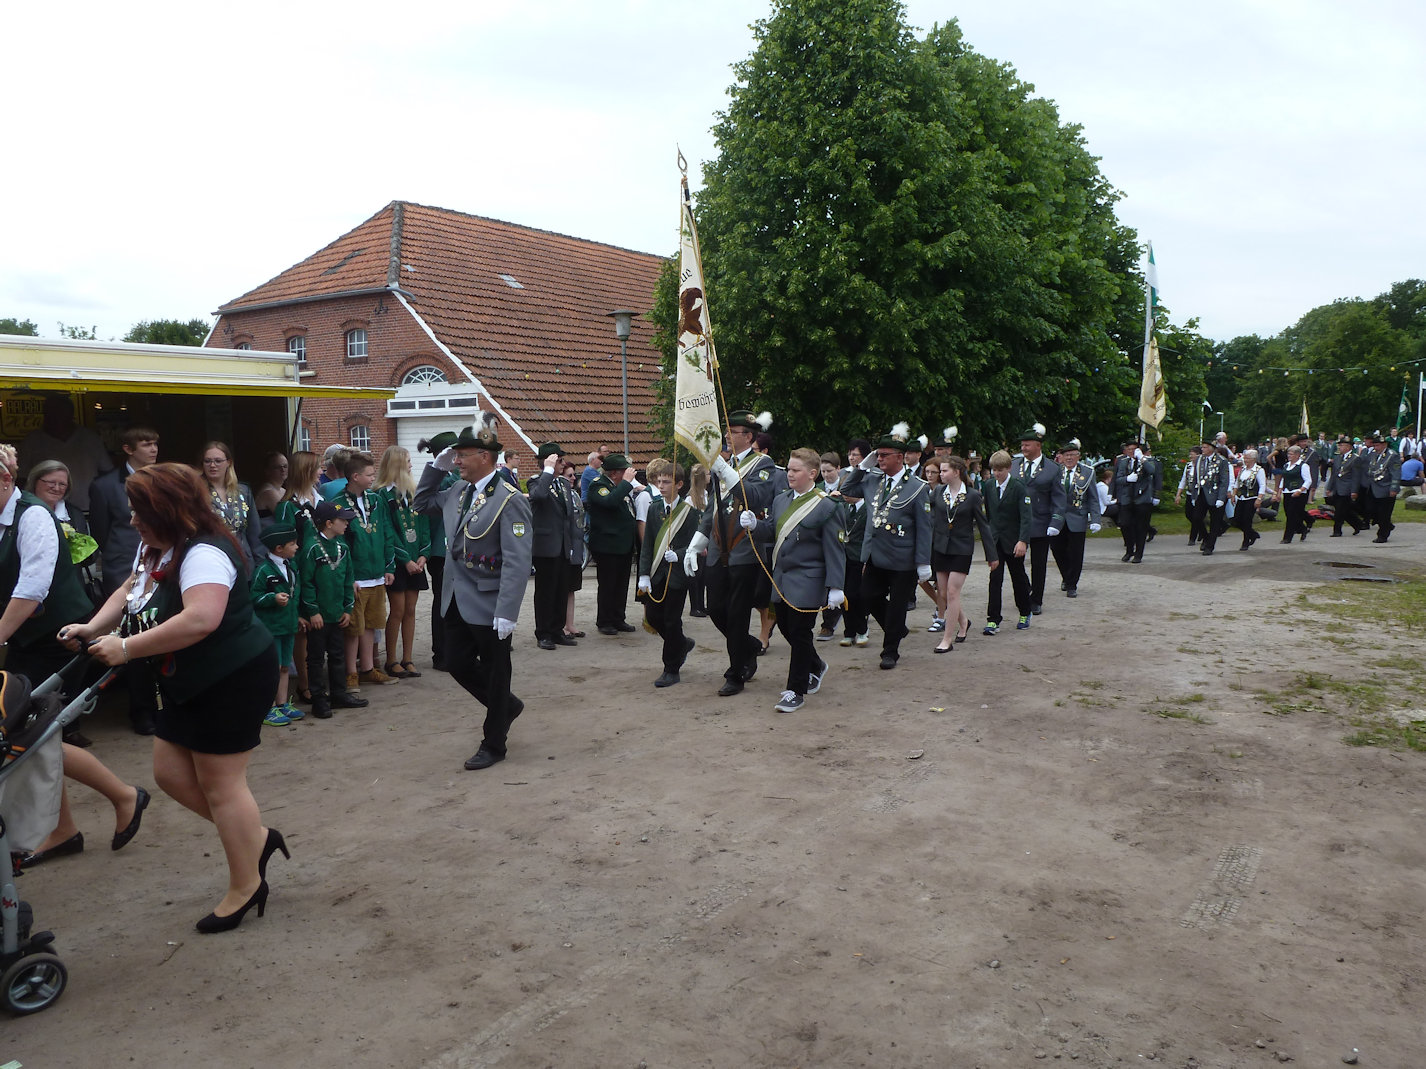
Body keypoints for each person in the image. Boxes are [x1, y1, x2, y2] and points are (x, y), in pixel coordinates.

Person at [61, 462, 286, 933]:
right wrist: (92, 626)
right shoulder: (158, 545)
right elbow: (131, 589)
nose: (131, 521)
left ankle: (246, 884)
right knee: (170, 774)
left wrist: (126, 648)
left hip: (232, 674)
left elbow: (201, 618)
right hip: (187, 675)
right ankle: (256, 838)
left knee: (221, 785)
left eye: (139, 511)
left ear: (168, 509)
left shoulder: (204, 552)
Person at [1, 443, 148, 870]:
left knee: (35, 737)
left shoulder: (33, 516)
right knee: (35, 738)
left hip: (59, 635)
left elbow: (32, 588)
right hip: (28, 638)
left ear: (6, 479)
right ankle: (65, 829)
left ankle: (124, 796)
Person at [415, 419, 534, 770]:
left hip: (489, 600)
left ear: (484, 456)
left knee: (497, 673)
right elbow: (421, 503)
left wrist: (508, 610)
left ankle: (494, 743)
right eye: (454, 457)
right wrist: (435, 469)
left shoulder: (509, 499)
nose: (456, 461)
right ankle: (506, 706)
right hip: (455, 597)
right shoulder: (457, 490)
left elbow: (517, 560)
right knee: (456, 662)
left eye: (462, 455)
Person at [738, 448, 845, 712]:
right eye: (788, 469)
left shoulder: (826, 505)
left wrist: (836, 587)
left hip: (809, 579)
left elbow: (835, 549)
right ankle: (816, 665)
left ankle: (795, 691)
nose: (789, 474)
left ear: (812, 473)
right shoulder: (781, 500)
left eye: (796, 470)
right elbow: (773, 531)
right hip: (782, 578)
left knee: (800, 632)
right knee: (786, 627)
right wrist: (754, 525)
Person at [684, 410, 780, 696]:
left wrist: (724, 470)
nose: (726, 435)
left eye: (732, 432)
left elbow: (756, 497)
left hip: (744, 549)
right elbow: (714, 508)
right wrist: (696, 544)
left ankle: (736, 673)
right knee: (715, 609)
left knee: (737, 614)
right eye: (727, 431)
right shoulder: (724, 464)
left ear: (748, 437)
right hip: (718, 548)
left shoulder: (763, 464)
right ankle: (748, 645)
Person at [838, 425, 932, 670]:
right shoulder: (872, 479)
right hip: (875, 555)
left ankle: (890, 651)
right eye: (877, 455)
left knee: (898, 606)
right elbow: (846, 490)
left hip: (902, 557)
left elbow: (924, 528)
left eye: (883, 455)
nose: (879, 459)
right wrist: (862, 467)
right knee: (866, 596)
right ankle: (897, 629)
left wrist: (923, 562)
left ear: (899, 457)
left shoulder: (917, 487)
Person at [88, 426, 162, 735]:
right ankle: (141, 711)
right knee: (132, 640)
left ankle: (165, 705)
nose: (153, 449)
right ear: (128, 449)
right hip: (124, 569)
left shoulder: (163, 480)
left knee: (162, 636)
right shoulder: (105, 486)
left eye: (155, 443)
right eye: (146, 444)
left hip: (163, 565)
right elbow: (101, 532)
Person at [335, 451, 398, 688]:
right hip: (356, 577)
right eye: (370, 474)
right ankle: (351, 672)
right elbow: (339, 543)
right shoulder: (338, 503)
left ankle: (368, 668)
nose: (373, 478)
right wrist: (348, 577)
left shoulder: (376, 500)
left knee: (372, 623)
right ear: (355, 476)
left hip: (377, 574)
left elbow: (387, 531)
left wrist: (389, 565)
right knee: (354, 627)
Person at [637, 458, 700, 688]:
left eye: (666, 482)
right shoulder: (654, 508)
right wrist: (644, 574)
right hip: (656, 573)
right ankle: (681, 644)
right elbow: (647, 544)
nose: (661, 486)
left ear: (679, 484)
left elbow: (695, 544)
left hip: (677, 575)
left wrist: (680, 554)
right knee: (653, 617)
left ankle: (671, 668)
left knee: (672, 621)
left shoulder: (689, 512)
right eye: (659, 482)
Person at [299, 501, 366, 718]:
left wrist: (347, 608)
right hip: (319, 616)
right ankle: (318, 699)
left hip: (337, 613)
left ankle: (339, 694)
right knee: (316, 658)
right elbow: (306, 583)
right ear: (328, 523)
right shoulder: (311, 548)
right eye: (342, 520)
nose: (347, 524)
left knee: (338, 655)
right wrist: (312, 611)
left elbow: (348, 579)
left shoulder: (342, 547)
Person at [930, 455, 997, 653]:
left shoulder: (973, 495)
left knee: (952, 592)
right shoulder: (938, 492)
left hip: (961, 549)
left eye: (944, 471)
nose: (941, 474)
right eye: (941, 471)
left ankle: (947, 639)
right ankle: (964, 621)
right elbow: (929, 519)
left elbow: (983, 526)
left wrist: (991, 555)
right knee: (943, 593)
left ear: (956, 472)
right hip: (941, 548)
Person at [274, 449, 324, 699]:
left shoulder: (320, 499)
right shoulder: (287, 506)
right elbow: (284, 543)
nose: (321, 472)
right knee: (302, 629)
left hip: (323, 573)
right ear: (305, 471)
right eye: (317, 468)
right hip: (301, 572)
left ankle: (319, 680)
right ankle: (305, 685)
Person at [376, 445, 429, 679]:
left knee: (410, 610)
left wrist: (423, 555)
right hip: (397, 561)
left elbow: (424, 525)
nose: (411, 465)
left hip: (416, 560)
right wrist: (405, 560)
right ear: (396, 464)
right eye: (407, 461)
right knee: (397, 610)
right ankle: (391, 660)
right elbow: (387, 531)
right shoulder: (382, 495)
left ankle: (408, 658)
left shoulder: (413, 492)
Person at [18, 393, 113, 513]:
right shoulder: (33, 440)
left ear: (71, 415)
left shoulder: (90, 438)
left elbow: (107, 473)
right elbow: (21, 478)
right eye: (53, 414)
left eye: (62, 413)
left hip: (89, 508)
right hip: (45, 510)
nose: (57, 418)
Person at [414, 433, 461, 669]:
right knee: (443, 602)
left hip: (449, 549)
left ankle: (451, 650)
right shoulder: (442, 480)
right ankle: (441, 653)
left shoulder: (451, 477)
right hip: (440, 550)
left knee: (454, 602)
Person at [528, 442, 580, 650]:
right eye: (558, 461)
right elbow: (539, 496)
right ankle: (543, 633)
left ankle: (557, 630)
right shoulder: (536, 481)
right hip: (545, 546)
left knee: (560, 589)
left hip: (563, 545)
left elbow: (568, 516)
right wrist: (547, 471)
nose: (562, 464)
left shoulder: (563, 484)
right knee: (546, 592)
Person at [250, 522, 303, 726]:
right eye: (293, 544)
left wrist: (298, 615)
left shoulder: (292, 566)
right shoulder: (263, 570)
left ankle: (282, 703)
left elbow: (295, 594)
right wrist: (272, 598)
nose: (297, 547)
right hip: (271, 628)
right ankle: (268, 707)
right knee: (272, 668)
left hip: (288, 625)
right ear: (279, 548)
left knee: (284, 666)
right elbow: (254, 598)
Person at [1010, 425, 1064, 615]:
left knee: (1039, 564)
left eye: (1027, 445)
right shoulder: (1014, 465)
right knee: (1015, 563)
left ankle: (1036, 599)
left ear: (1038, 445)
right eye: (1022, 445)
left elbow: (1059, 498)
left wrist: (1056, 522)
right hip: (1017, 524)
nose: (1023, 448)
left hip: (1041, 523)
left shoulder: (1052, 468)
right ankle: (1025, 589)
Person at [585, 452, 639, 635]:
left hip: (622, 545)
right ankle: (605, 621)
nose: (627, 474)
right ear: (615, 473)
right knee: (608, 585)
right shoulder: (599, 485)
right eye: (624, 471)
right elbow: (610, 502)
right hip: (607, 546)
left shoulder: (616, 486)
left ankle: (618, 618)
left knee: (621, 584)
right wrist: (626, 483)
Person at [981, 450, 1032, 635]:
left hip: (1013, 541)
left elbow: (1026, 516)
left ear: (1009, 468)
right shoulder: (988, 485)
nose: (996, 473)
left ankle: (1025, 612)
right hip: (996, 540)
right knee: (995, 579)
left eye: (1000, 470)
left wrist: (1023, 540)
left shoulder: (1018, 486)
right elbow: (989, 514)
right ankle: (993, 619)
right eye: (994, 470)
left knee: (1018, 578)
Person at [200, 441, 265, 571]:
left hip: (244, 561)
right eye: (207, 461)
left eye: (218, 461)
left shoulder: (243, 491)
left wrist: (260, 564)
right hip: (213, 560)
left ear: (228, 462)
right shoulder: (196, 492)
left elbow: (254, 532)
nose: (212, 465)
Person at [1048, 441, 1100, 598]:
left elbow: (1093, 498)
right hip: (1057, 518)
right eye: (1066, 455)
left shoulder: (1087, 472)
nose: (1069, 458)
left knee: (1076, 553)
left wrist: (1095, 519)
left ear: (1078, 456)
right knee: (1057, 549)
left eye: (1072, 455)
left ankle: (1072, 584)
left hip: (1077, 517)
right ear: (1061, 457)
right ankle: (1066, 575)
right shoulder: (1055, 471)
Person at [561, 457, 590, 639]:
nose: (573, 478)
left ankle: (570, 624)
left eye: (574, 475)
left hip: (577, 547)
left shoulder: (574, 495)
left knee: (572, 588)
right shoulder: (561, 496)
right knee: (563, 588)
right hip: (566, 546)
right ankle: (561, 625)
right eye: (569, 475)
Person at [918, 459, 947, 631]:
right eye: (927, 472)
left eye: (933, 472)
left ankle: (941, 615)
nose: (929, 475)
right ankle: (941, 605)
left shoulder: (944, 491)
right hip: (925, 541)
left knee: (940, 582)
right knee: (921, 579)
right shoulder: (921, 489)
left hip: (939, 540)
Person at [1190, 439, 1231, 555]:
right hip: (1202, 492)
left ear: (1211, 449)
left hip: (1216, 494)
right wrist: (1194, 494)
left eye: (1205, 447)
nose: (1202, 449)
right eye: (1202, 447)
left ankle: (1210, 546)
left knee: (1215, 522)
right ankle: (1206, 537)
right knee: (1196, 517)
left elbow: (1224, 481)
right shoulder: (1200, 459)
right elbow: (1195, 477)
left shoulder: (1221, 461)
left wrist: (1221, 498)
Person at [1361, 431, 1402, 543]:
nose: (1375, 448)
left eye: (1377, 445)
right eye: (1374, 445)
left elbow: (1396, 473)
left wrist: (1394, 488)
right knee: (1370, 509)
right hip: (1373, 486)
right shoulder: (1373, 454)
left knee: (1384, 513)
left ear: (1384, 445)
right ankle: (1388, 525)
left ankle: (1382, 535)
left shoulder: (1392, 455)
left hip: (1386, 487)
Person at [1324, 435, 1366, 536]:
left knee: (1339, 511)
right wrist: (1329, 488)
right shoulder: (1338, 458)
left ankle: (1337, 530)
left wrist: (1354, 491)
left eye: (1341, 445)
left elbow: (1356, 476)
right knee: (1344, 510)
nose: (1339, 447)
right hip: (1337, 488)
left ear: (1348, 447)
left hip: (1347, 488)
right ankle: (1357, 523)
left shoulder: (1355, 459)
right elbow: (1334, 474)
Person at [1273, 444, 1314, 543]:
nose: (1289, 456)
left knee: (1292, 515)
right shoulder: (1286, 465)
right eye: (1288, 454)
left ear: (1297, 455)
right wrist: (1279, 492)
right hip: (1287, 491)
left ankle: (1287, 537)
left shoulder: (1303, 466)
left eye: (1291, 454)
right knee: (1289, 514)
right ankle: (1302, 529)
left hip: (1299, 493)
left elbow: (1308, 480)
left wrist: (1300, 490)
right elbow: (1284, 479)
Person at [1231, 449, 1268, 550]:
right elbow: (1237, 483)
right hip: (1241, 497)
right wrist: (1234, 494)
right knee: (1236, 520)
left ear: (1253, 459)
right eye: (1245, 458)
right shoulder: (1243, 469)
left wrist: (1259, 499)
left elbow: (1262, 485)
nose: (1245, 460)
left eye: (1247, 458)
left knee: (1247, 520)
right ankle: (1253, 534)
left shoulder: (1259, 470)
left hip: (1252, 498)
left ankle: (1246, 541)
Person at [253, 451, 289, 520]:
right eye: (277, 467)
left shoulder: (283, 490)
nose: (283, 470)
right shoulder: (268, 492)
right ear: (267, 471)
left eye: (285, 466)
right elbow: (287, 517)